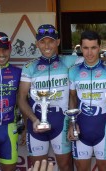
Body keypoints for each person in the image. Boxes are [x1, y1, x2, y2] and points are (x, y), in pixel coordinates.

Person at [18, 24, 77, 171]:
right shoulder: (30, 66)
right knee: (38, 168)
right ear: (37, 43)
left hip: (61, 122)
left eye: (51, 41)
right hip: (36, 122)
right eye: (43, 42)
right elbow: (21, 97)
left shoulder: (69, 61)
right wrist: (33, 120)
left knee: (65, 166)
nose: (47, 46)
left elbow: (97, 60)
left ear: (57, 42)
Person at [67, 30, 106, 171]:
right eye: (86, 48)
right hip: (81, 127)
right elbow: (72, 98)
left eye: (93, 47)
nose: (89, 52)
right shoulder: (73, 71)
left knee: (105, 168)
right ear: (80, 48)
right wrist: (72, 123)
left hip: (104, 126)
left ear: (99, 47)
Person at [0, 31, 22, 171]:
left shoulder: (17, 73)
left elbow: (23, 100)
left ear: (10, 49)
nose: (1, 54)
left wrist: (26, 127)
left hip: (8, 130)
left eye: (5, 49)